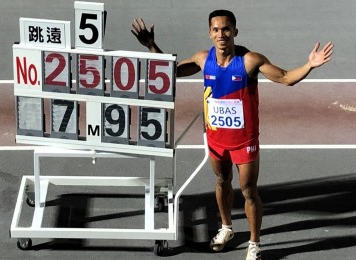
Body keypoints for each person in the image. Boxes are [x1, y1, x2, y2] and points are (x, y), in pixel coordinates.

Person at [131, 9, 333, 260]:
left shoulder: (249, 61)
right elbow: (170, 71)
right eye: (215, 29)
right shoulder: (203, 59)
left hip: (244, 142)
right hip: (216, 139)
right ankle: (226, 228)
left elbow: (285, 78)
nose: (221, 34)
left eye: (226, 29)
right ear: (209, 33)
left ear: (235, 31)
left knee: (248, 190)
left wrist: (309, 65)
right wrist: (152, 46)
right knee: (221, 182)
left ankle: (254, 243)